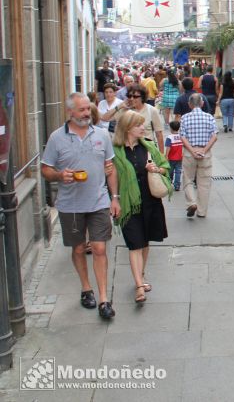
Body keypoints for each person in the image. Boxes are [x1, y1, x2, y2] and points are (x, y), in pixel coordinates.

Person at [40, 93, 120, 320]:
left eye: (88, 108)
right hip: (70, 205)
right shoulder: (57, 138)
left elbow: (110, 167)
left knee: (100, 249)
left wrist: (115, 197)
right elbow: (45, 170)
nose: (86, 113)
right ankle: (86, 288)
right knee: (77, 249)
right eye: (82, 110)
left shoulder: (102, 135)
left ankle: (104, 299)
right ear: (70, 112)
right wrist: (59, 175)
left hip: (98, 201)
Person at [112, 111, 170, 304]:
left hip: (150, 201)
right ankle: (139, 285)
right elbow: (111, 178)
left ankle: (141, 275)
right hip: (129, 204)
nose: (143, 127)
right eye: (139, 125)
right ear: (128, 127)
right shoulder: (115, 151)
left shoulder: (149, 146)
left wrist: (157, 169)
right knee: (135, 243)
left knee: (145, 242)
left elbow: (165, 167)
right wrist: (115, 200)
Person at [180, 94, 218, 219]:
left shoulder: (185, 118)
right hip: (205, 153)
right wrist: (204, 150)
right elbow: (214, 136)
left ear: (189, 104)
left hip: (189, 153)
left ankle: (191, 202)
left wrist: (192, 151)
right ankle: (202, 211)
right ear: (202, 104)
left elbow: (182, 137)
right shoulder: (209, 117)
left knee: (188, 179)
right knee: (204, 183)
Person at [103, 84, 165, 155]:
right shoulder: (125, 110)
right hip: (128, 152)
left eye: (135, 96)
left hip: (147, 151)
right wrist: (120, 106)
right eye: (129, 96)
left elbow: (159, 134)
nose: (132, 99)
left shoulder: (151, 110)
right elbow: (105, 118)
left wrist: (162, 155)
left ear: (142, 97)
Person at [165, 120, 183, 191]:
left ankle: (169, 183)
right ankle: (177, 185)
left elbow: (168, 148)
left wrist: (166, 156)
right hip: (179, 158)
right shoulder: (181, 136)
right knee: (178, 172)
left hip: (171, 158)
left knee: (170, 171)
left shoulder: (169, 137)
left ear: (171, 128)